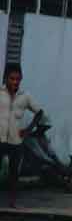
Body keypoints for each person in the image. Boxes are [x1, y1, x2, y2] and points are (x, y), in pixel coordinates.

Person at [0, 63, 42, 208]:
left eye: (18, 79)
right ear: (6, 78)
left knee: (14, 173)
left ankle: (12, 202)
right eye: (12, 78)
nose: (15, 82)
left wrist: (28, 130)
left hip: (16, 141)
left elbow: (39, 112)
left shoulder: (25, 96)